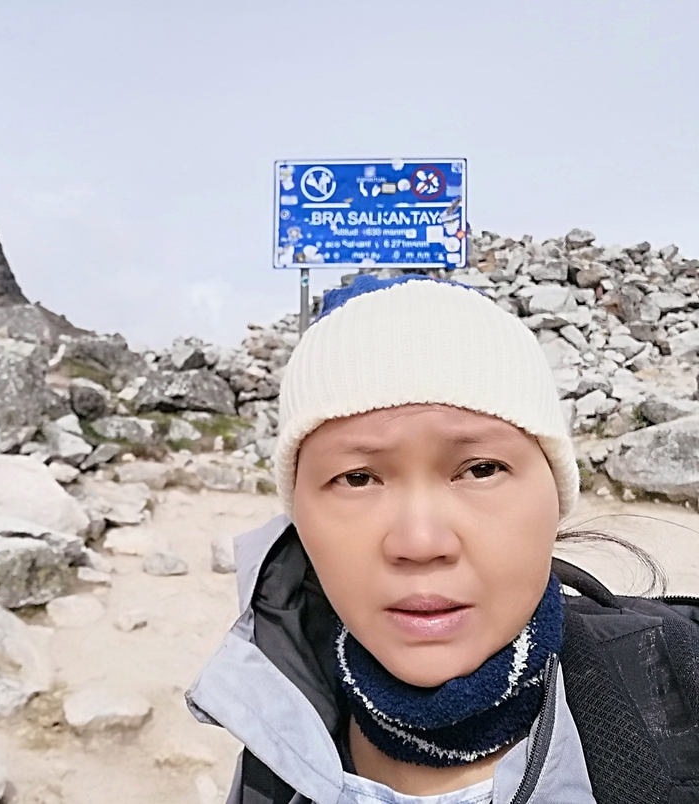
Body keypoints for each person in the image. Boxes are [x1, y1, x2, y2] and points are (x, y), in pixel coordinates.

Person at [187, 275, 699, 804]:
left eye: (481, 469)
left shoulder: (681, 691)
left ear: (555, 494)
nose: (420, 542)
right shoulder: (277, 738)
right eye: (358, 478)